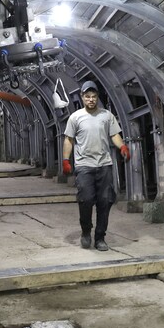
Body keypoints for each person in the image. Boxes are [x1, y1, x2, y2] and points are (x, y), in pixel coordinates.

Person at [62, 81, 130, 251]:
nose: (91, 100)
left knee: (104, 202)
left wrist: (122, 146)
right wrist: (65, 160)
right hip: (84, 166)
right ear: (82, 98)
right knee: (85, 200)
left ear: (97, 97)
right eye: (87, 97)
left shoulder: (107, 116)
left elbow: (114, 135)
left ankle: (100, 238)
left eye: (93, 97)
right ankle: (86, 232)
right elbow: (68, 140)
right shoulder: (75, 117)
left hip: (104, 165)